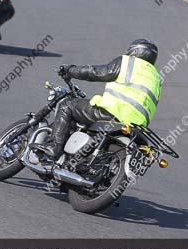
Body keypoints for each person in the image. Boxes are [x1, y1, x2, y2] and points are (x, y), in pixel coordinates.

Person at [31, 39, 161, 162]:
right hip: (137, 125)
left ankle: (54, 147)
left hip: (112, 112)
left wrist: (70, 70)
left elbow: (96, 72)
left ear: (134, 51)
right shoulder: (156, 79)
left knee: (67, 105)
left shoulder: (129, 63)